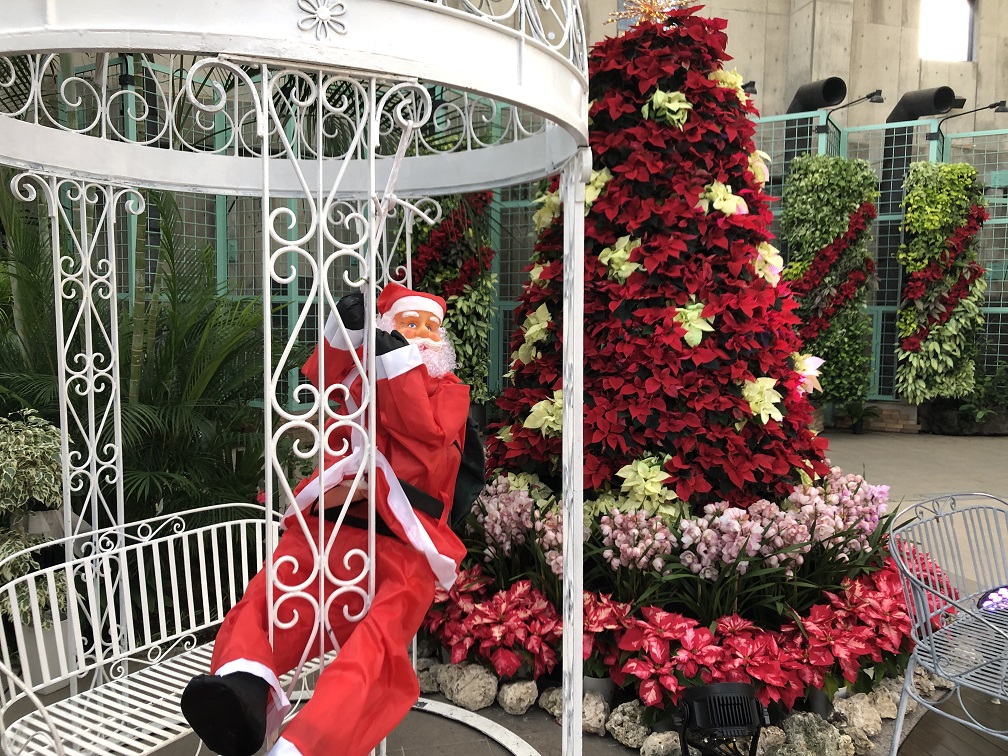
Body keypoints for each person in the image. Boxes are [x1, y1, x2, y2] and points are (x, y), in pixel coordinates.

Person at [181, 283, 471, 756]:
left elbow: (424, 434)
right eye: (408, 324)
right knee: (276, 587)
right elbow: (324, 378)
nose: (420, 335)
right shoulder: (364, 378)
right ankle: (242, 688)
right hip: (334, 520)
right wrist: (350, 330)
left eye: (429, 327)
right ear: (386, 328)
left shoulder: (449, 392)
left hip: (407, 538)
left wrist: (394, 361)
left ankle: (307, 745)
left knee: (378, 645)